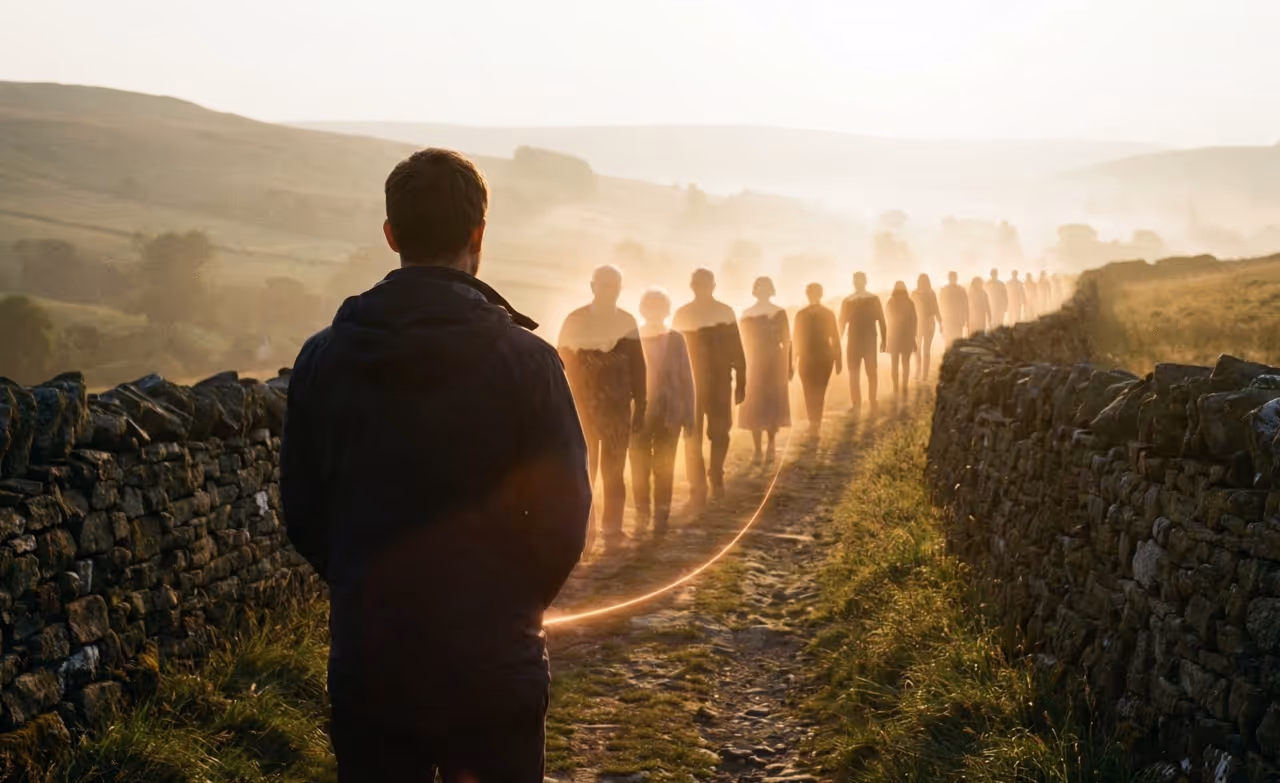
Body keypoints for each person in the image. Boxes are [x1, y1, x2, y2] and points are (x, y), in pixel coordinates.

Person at [282, 148, 591, 782]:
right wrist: (514, 604)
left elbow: (303, 511)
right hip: (494, 661)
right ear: (479, 233)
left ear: (392, 234)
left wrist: (363, 586)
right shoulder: (529, 362)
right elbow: (565, 516)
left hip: (371, 658)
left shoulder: (322, 358)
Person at [558, 265, 647, 554]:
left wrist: (642, 403)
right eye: (605, 285)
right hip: (581, 408)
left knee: (614, 472)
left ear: (620, 289)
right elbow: (561, 362)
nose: (610, 290)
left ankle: (612, 530)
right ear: (593, 286)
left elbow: (638, 365)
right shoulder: (575, 320)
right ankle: (586, 531)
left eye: (615, 285)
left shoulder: (627, 321)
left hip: (618, 409)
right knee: (585, 473)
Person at [674, 268, 747, 506]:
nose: (702, 287)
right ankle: (697, 486)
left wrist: (741, 382)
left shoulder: (724, 312)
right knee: (691, 436)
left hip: (719, 383)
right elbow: (672, 352)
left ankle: (716, 475)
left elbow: (737, 348)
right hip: (689, 386)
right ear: (691, 286)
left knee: (720, 433)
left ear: (713, 286)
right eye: (698, 283)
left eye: (706, 283)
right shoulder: (682, 314)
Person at [631, 288, 695, 539]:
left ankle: (661, 517)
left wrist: (689, 415)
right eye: (650, 307)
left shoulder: (677, 339)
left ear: (666, 310)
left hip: (670, 413)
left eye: (660, 307)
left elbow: (686, 378)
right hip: (639, 414)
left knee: (665, 466)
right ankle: (641, 515)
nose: (655, 312)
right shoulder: (632, 337)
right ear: (643, 310)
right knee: (638, 466)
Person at [738, 276, 792, 464]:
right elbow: (741, 341)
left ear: (771, 290)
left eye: (766, 287)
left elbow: (787, 340)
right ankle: (757, 449)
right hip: (752, 362)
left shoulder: (779, 312)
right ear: (755, 290)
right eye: (759, 287)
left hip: (775, 362)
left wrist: (788, 365)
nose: (762, 290)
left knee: (772, 402)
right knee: (753, 402)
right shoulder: (746, 313)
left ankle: (770, 445)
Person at [793, 282, 841, 435]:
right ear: (807, 295)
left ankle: (816, 421)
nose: (813, 296)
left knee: (820, 390)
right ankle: (812, 420)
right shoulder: (800, 315)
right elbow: (795, 338)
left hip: (824, 358)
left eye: (816, 293)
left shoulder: (828, 314)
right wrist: (792, 361)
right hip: (805, 359)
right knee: (808, 389)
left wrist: (838, 360)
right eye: (811, 293)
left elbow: (835, 337)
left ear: (821, 295)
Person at [838, 271, 886, 411]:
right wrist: (837, 342)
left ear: (864, 281)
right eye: (856, 280)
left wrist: (884, 338)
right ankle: (858, 402)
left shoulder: (867, 299)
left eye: (859, 280)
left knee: (869, 371)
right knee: (856, 372)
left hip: (866, 339)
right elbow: (841, 323)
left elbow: (882, 320)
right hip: (860, 339)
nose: (858, 282)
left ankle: (870, 400)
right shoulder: (849, 300)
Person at [884, 280, 917, 398]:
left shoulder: (891, 301)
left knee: (895, 364)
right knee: (905, 363)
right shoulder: (909, 302)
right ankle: (903, 387)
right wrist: (913, 337)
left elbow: (888, 319)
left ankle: (897, 387)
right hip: (904, 336)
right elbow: (914, 321)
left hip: (896, 336)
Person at [911, 274, 942, 382]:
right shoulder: (914, 294)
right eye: (921, 281)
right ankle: (918, 369)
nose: (922, 283)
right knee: (917, 348)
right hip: (917, 325)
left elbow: (936, 308)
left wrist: (940, 322)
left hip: (929, 324)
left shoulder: (931, 293)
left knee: (926, 349)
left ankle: (924, 374)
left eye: (924, 281)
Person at [938, 271, 968, 346]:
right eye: (952, 277)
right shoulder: (945, 290)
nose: (953, 279)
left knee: (955, 340)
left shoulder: (960, 290)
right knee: (949, 341)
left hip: (956, 320)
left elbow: (966, 305)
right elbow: (941, 305)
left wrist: (966, 319)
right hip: (950, 320)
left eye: (954, 277)